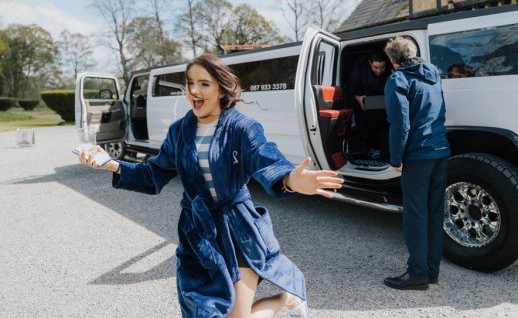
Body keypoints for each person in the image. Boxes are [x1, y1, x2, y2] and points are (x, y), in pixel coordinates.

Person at [78, 54, 343, 317]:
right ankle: (288, 297)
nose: (194, 90)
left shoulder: (242, 128)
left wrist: (290, 179)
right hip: (199, 234)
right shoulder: (179, 131)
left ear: (220, 88)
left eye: (204, 83)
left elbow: (265, 157)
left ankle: (288, 297)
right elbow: (154, 174)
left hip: (238, 229)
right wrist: (113, 165)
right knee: (205, 312)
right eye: (189, 83)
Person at [382, 37, 450, 291]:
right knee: (434, 213)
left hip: (418, 156)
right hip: (440, 151)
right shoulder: (433, 74)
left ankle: (417, 274)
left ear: (393, 60)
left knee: (415, 214)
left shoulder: (397, 79)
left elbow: (400, 124)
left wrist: (396, 159)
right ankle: (431, 271)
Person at [348, 50, 391, 159]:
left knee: (385, 127)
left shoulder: (391, 69)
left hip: (385, 103)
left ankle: (386, 150)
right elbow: (352, 87)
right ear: (369, 63)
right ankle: (370, 149)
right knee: (366, 125)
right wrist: (358, 98)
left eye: (382, 67)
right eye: (375, 67)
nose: (379, 71)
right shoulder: (359, 67)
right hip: (364, 103)